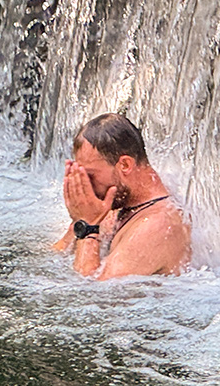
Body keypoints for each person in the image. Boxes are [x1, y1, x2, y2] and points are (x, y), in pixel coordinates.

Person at [52, 113, 190, 278]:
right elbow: (58, 252)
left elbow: (90, 294)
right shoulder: (120, 201)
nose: (85, 185)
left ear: (125, 165)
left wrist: (88, 227)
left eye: (90, 175)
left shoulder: (159, 225)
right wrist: (79, 219)